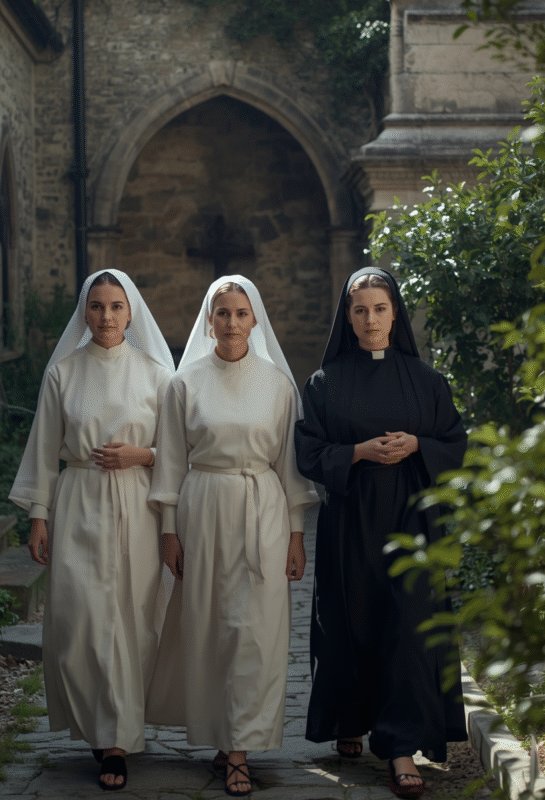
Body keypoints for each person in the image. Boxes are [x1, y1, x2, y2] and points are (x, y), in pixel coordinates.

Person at [294, 267, 468, 799]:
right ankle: (351, 717)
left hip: (413, 520)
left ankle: (399, 746)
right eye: (360, 309)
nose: (371, 319)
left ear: (396, 314)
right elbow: (309, 452)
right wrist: (359, 452)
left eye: (380, 308)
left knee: (409, 628)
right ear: (347, 318)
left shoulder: (428, 381)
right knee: (350, 621)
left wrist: (419, 446)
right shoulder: (324, 383)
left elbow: (457, 445)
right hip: (351, 522)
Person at [147, 275, 318, 798]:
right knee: (213, 628)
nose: (232, 324)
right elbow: (171, 463)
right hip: (204, 509)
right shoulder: (186, 383)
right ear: (208, 320)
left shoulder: (278, 385)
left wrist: (295, 535)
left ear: (256, 320)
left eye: (241, 314)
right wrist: (169, 533)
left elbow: (290, 468)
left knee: (256, 631)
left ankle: (240, 747)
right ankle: (224, 734)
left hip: (263, 509)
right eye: (222, 314)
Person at [8, 269, 174, 791]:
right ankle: (99, 727)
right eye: (97, 306)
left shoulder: (156, 375)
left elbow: (179, 453)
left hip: (138, 505)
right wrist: (39, 516)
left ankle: (117, 740)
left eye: (116, 307)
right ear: (85, 312)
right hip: (78, 503)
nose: (106, 316)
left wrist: (140, 454)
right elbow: (43, 449)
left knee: (130, 617)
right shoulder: (64, 373)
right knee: (80, 619)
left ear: (132, 313)